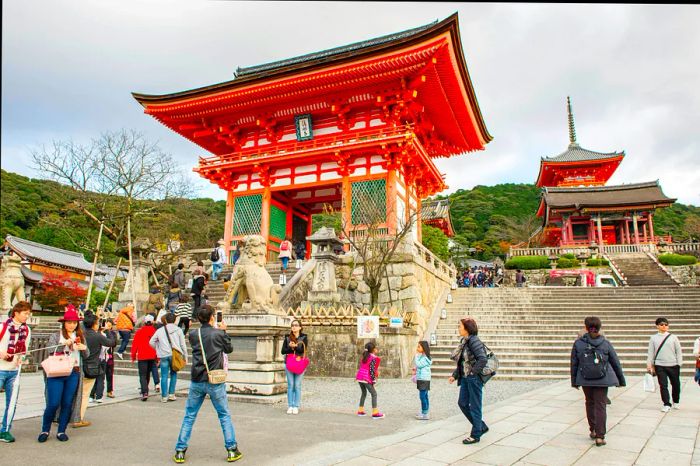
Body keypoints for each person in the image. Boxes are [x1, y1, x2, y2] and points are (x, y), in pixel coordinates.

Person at [173, 305, 242, 463]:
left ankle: (180, 450)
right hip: (214, 379)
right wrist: (224, 331)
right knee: (224, 415)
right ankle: (231, 449)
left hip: (197, 378)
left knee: (190, 415)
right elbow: (228, 349)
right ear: (212, 317)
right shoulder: (218, 333)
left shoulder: (193, 334)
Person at [571, 316, 626, 446]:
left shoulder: (578, 343)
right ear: (600, 328)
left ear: (585, 328)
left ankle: (593, 430)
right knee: (601, 406)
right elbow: (615, 362)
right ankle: (600, 436)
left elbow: (574, 363)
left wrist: (574, 381)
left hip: (585, 378)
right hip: (602, 378)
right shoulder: (605, 343)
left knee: (589, 403)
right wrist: (620, 380)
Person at [38, 306, 88, 443]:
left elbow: (86, 355)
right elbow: (49, 351)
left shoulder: (80, 336)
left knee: (67, 402)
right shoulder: (56, 335)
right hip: (57, 371)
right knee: (53, 403)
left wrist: (83, 348)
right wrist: (63, 344)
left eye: (74, 322)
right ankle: (45, 429)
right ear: (64, 323)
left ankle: (61, 430)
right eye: (69, 322)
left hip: (74, 371)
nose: (72, 325)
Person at [449, 318, 488, 444]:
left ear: (467, 328)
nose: (458, 328)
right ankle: (480, 426)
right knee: (462, 403)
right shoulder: (465, 341)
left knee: (475, 406)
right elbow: (462, 362)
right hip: (466, 378)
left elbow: (482, 359)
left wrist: (472, 373)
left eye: (460, 326)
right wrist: (455, 375)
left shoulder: (474, 341)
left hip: (473, 379)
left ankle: (476, 434)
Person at [0, 301, 32, 443]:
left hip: (14, 371)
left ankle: (5, 430)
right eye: (25, 313)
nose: (27, 316)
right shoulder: (3, 327)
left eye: (28, 313)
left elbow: (24, 349)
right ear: (16, 313)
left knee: (12, 402)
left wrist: (21, 358)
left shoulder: (27, 330)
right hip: (0, 368)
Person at [78, 313, 116, 426]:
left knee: (75, 393)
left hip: (79, 365)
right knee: (84, 394)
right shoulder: (97, 336)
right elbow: (111, 343)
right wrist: (108, 331)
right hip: (92, 366)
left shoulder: (81, 334)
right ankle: (78, 417)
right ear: (94, 324)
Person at [646, 317, 683, 412]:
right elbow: (651, 352)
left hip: (673, 365)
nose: (664, 326)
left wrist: (679, 363)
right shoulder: (653, 338)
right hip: (660, 365)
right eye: (662, 324)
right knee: (663, 385)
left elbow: (678, 351)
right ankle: (666, 403)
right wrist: (649, 364)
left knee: (676, 384)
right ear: (657, 326)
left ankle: (676, 401)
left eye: (666, 324)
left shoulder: (673, 337)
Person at [150, 313, 188, 403]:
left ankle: (164, 396)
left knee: (164, 376)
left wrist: (158, 348)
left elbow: (151, 341)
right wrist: (185, 356)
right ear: (175, 320)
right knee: (174, 373)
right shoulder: (178, 330)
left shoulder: (160, 330)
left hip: (163, 354)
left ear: (166, 320)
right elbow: (183, 344)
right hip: (175, 354)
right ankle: (171, 394)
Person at [281, 319, 308, 415]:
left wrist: (295, 346)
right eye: (292, 325)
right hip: (289, 363)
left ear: (300, 327)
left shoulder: (304, 337)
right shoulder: (287, 337)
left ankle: (296, 406)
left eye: (296, 325)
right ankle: (290, 405)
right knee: (290, 385)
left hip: (299, 363)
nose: (294, 327)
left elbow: (302, 350)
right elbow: (283, 351)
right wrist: (289, 347)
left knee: (297, 385)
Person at [131, 315, 158, 401]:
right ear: (153, 322)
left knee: (142, 375)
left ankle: (144, 392)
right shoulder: (155, 332)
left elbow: (135, 345)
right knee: (148, 373)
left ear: (144, 322)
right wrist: (158, 357)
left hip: (142, 355)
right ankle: (146, 389)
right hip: (152, 355)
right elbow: (158, 345)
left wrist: (133, 355)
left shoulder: (139, 332)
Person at [355, 342, 384, 419]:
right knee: (374, 394)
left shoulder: (364, 356)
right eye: (375, 348)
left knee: (364, 393)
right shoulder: (374, 358)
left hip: (359, 376)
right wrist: (373, 380)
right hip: (366, 378)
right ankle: (375, 413)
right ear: (373, 349)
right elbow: (372, 370)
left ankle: (360, 411)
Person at [91, 319, 117, 401]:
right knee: (98, 377)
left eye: (109, 326)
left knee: (108, 375)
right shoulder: (97, 334)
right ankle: (94, 394)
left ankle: (109, 391)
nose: (107, 327)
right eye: (106, 325)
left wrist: (108, 332)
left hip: (108, 356)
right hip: (99, 357)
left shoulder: (112, 333)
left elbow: (113, 343)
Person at [413, 340, 432, 420]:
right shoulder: (423, 356)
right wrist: (416, 368)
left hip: (423, 379)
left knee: (422, 396)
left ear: (424, 348)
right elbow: (419, 366)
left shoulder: (424, 357)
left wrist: (416, 356)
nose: (417, 348)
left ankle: (424, 413)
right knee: (425, 395)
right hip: (423, 379)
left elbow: (419, 364)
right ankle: (425, 411)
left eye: (419, 346)